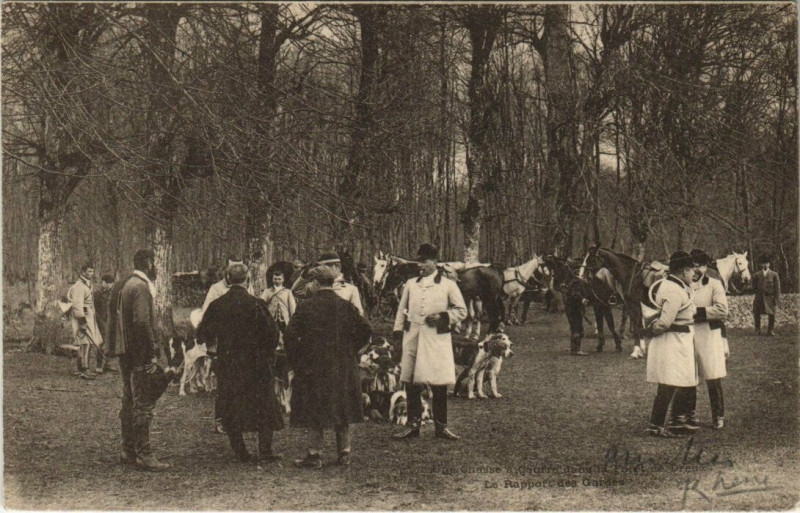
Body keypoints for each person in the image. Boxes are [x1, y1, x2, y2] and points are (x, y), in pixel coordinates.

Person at [284, 265, 372, 468]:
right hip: (342, 365)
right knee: (342, 407)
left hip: (314, 367)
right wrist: (353, 349)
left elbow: (290, 334)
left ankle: (314, 455)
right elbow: (365, 328)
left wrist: (298, 357)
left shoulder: (306, 306)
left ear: (315, 283)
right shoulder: (345, 306)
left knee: (315, 409)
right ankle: (344, 454)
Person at [197, 263, 284, 463]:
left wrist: (215, 346)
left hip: (230, 363)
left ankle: (241, 452)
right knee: (264, 404)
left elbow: (202, 334)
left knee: (231, 405)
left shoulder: (218, 305)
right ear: (248, 279)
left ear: (228, 278)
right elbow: (273, 333)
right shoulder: (256, 304)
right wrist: (266, 352)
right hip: (257, 363)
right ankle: (265, 450)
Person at [392, 243, 468, 441]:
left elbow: (462, 311)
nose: (420, 265)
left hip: (436, 340)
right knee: (411, 384)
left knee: (439, 384)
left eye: (424, 261)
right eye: (419, 261)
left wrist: (443, 316)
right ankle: (413, 425)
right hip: (413, 339)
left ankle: (441, 427)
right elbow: (401, 310)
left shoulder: (448, 285)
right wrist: (398, 335)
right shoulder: (410, 284)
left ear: (435, 262)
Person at [106, 249, 170, 470]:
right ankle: (144, 454)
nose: (155, 268)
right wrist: (151, 351)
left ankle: (128, 449)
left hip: (125, 352)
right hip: (138, 353)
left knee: (129, 400)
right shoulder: (140, 287)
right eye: (154, 263)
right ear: (149, 263)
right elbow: (142, 322)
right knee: (143, 404)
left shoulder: (124, 283)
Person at [642, 250, 698, 438]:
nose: (694, 275)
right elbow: (665, 322)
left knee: (676, 381)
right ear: (683, 272)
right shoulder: (673, 290)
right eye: (691, 271)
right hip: (672, 341)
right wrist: (653, 329)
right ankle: (656, 425)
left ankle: (673, 422)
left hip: (677, 341)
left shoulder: (675, 286)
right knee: (668, 383)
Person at [201, 255, 253, 434]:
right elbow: (206, 317)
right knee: (224, 385)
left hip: (245, 346)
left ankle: (240, 420)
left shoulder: (248, 291)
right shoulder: (216, 290)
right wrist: (211, 342)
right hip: (225, 345)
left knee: (243, 383)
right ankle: (221, 420)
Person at [679, 249, 728, 430]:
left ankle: (718, 415)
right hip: (689, 335)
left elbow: (722, 310)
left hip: (709, 334)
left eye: (699, 265)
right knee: (689, 376)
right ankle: (689, 415)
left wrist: (698, 313)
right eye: (693, 266)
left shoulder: (715, 284)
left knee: (713, 376)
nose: (696, 269)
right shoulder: (684, 285)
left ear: (706, 267)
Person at [292, 252, 364, 315]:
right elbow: (296, 291)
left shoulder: (350, 290)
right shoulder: (316, 285)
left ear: (335, 267)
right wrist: (305, 275)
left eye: (323, 267)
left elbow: (358, 316)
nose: (319, 270)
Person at [69, 263, 103, 380]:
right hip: (82, 316)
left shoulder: (88, 284)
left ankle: (81, 368)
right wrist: (82, 322)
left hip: (89, 315)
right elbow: (77, 305)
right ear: (82, 272)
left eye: (92, 272)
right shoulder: (79, 286)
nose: (91, 274)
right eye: (89, 272)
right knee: (85, 343)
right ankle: (84, 369)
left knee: (86, 342)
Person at [261, 270, 297, 338]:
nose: (277, 281)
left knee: (284, 336)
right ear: (272, 279)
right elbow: (262, 304)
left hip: (284, 320)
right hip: (271, 320)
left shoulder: (288, 292)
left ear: (283, 280)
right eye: (275, 279)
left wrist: (292, 321)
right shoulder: (267, 291)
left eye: (279, 279)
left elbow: (292, 308)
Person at [752, 255, 780, 336]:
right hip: (759, 298)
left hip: (770, 298)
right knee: (756, 313)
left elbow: (777, 288)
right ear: (761, 265)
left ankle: (770, 330)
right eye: (763, 263)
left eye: (766, 263)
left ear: (769, 264)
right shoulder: (757, 275)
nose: (765, 265)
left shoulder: (774, 275)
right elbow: (754, 286)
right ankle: (757, 330)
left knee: (771, 314)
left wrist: (776, 298)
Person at [93, 274, 116, 374]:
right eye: (108, 283)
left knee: (111, 342)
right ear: (103, 283)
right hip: (100, 321)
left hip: (110, 321)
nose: (110, 285)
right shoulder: (97, 294)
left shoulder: (113, 294)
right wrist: (99, 321)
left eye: (111, 283)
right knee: (101, 343)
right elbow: (94, 309)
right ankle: (99, 365)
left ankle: (108, 364)